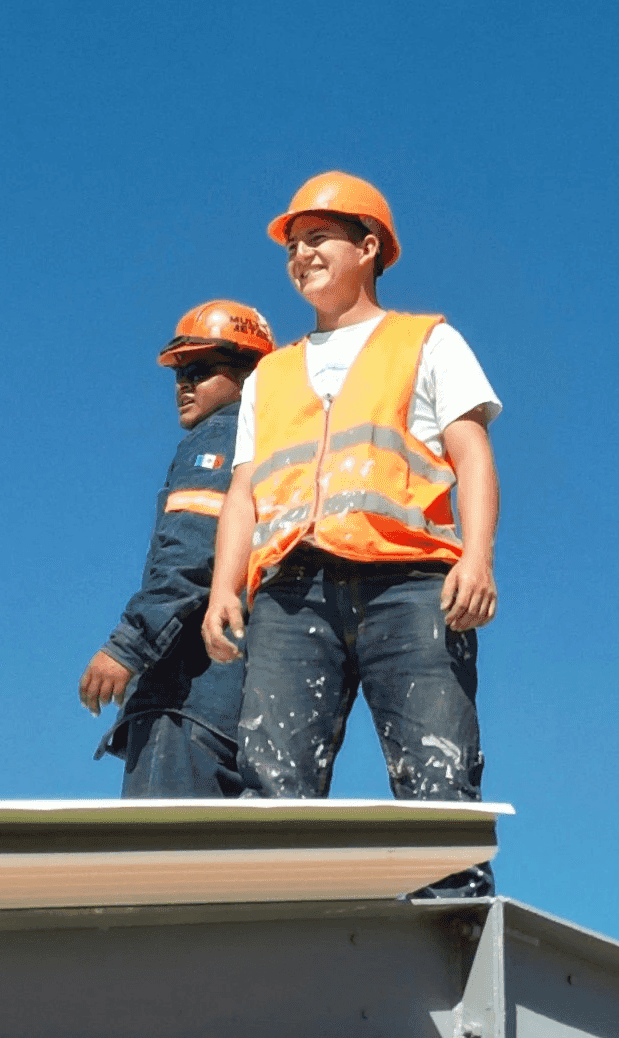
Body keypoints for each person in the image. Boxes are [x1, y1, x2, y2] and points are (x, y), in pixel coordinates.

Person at [201, 171, 501, 896]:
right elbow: (243, 491)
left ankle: (449, 922)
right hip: (291, 594)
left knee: (436, 769)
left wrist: (479, 557)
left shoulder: (425, 340)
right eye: (292, 246)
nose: (300, 256)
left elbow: (471, 455)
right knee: (274, 779)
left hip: (410, 586)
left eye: (318, 240)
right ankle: (281, 923)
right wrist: (223, 589)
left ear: (368, 247)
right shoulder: (270, 375)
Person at [82, 300, 273, 798]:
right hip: (240, 711)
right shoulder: (272, 452)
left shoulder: (220, 435)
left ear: (250, 375)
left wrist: (126, 647)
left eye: (202, 369)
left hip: (188, 703)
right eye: (179, 372)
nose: (184, 384)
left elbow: (189, 553)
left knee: (161, 871)